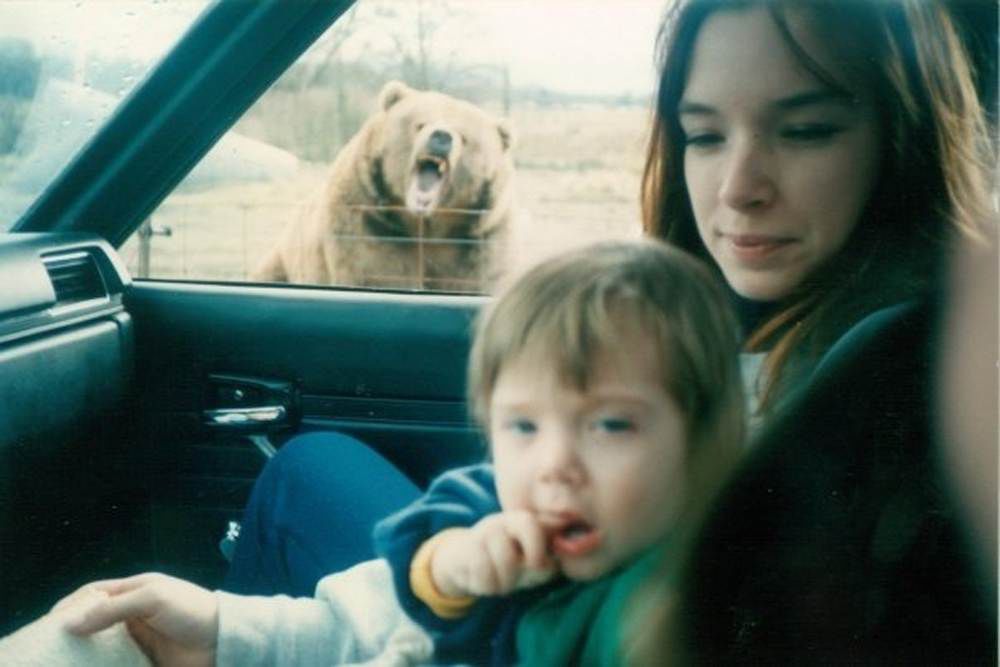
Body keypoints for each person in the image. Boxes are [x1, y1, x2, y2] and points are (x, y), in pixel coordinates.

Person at [225, 0, 994, 605]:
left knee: (302, 477)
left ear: (905, 138)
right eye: (704, 136)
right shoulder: (737, 318)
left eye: (806, 130)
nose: (736, 188)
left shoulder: (893, 375)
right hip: (527, 602)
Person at [40, 239, 745, 665]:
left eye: (612, 425)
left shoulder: (681, 597)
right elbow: (414, 580)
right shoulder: (499, 511)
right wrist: (453, 567)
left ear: (706, 446)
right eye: (523, 427)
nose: (554, 464)